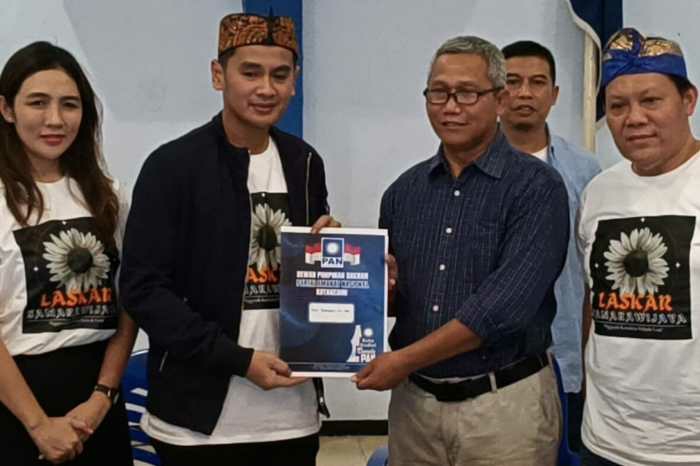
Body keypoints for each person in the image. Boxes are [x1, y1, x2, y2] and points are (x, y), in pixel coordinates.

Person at [120, 13, 337, 466]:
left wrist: (341, 258)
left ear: (295, 81)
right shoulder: (172, 166)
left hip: (292, 415)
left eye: (280, 75)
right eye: (250, 73)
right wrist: (238, 360)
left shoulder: (304, 162)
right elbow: (143, 290)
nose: (266, 88)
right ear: (218, 75)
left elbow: (310, 280)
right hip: (196, 422)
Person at [354, 35, 569, 465]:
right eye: (439, 93)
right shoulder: (403, 193)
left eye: (467, 93)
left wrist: (402, 360)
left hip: (503, 408)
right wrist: (375, 286)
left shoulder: (537, 187)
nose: (450, 106)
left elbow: (502, 310)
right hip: (415, 408)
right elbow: (399, 303)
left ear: (499, 99)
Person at [0, 41, 136, 465]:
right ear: (6, 109)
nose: (55, 119)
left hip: (97, 399)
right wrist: (39, 425)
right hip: (14, 402)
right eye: (38, 102)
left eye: (69, 104)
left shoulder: (109, 197)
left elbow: (129, 303)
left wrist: (103, 396)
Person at [578, 28, 700, 466]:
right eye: (617, 106)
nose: (634, 118)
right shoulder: (598, 192)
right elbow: (593, 299)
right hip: (606, 440)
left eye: (651, 101)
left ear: (688, 101)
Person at [500, 40, 600, 452]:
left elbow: (593, 270)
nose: (524, 93)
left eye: (537, 82)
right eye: (512, 82)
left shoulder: (585, 169)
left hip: (568, 353)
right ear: (496, 91)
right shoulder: (469, 166)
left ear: (554, 94)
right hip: (497, 359)